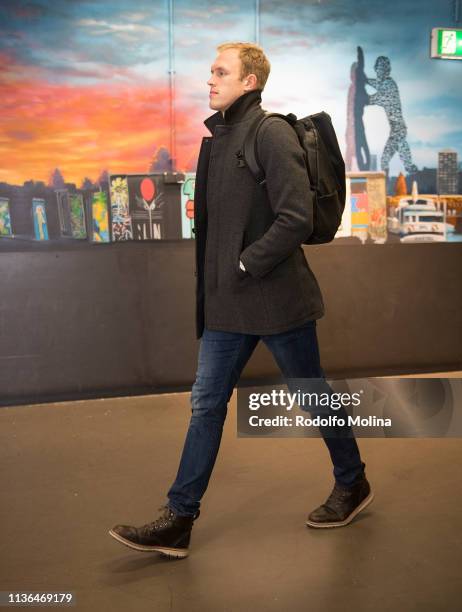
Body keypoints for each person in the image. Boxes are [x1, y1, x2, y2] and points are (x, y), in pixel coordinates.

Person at [109, 42, 373, 559]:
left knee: (313, 396)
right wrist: (219, 282)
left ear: (250, 81)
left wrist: (248, 262)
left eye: (220, 72)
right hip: (227, 305)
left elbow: (295, 217)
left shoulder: (270, 133)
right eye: (210, 71)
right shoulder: (220, 135)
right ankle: (179, 519)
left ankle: (353, 482)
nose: (209, 80)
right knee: (206, 404)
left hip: (278, 300)